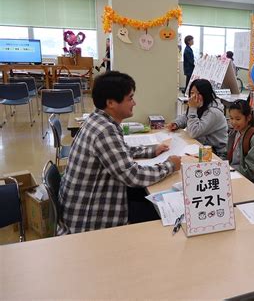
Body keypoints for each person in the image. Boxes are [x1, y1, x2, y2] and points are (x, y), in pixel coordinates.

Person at [58, 71, 181, 235]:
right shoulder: (105, 131)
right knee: (161, 213)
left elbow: (119, 152)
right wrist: (170, 165)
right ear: (111, 103)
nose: (134, 103)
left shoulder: (98, 120)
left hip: (82, 207)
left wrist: (152, 150)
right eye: (130, 98)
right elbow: (133, 175)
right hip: (89, 220)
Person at [166, 79, 228, 158]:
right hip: (201, 146)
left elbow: (194, 132)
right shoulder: (201, 104)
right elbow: (186, 116)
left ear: (205, 94)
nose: (194, 96)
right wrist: (176, 123)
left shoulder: (214, 112)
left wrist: (192, 108)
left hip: (216, 153)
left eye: (198, 94)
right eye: (192, 93)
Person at [227, 100, 254, 181]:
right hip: (231, 172)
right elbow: (226, 153)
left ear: (248, 118)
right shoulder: (234, 132)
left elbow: (251, 171)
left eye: (238, 119)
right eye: (231, 118)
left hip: (243, 179)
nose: (233, 122)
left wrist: (227, 170)